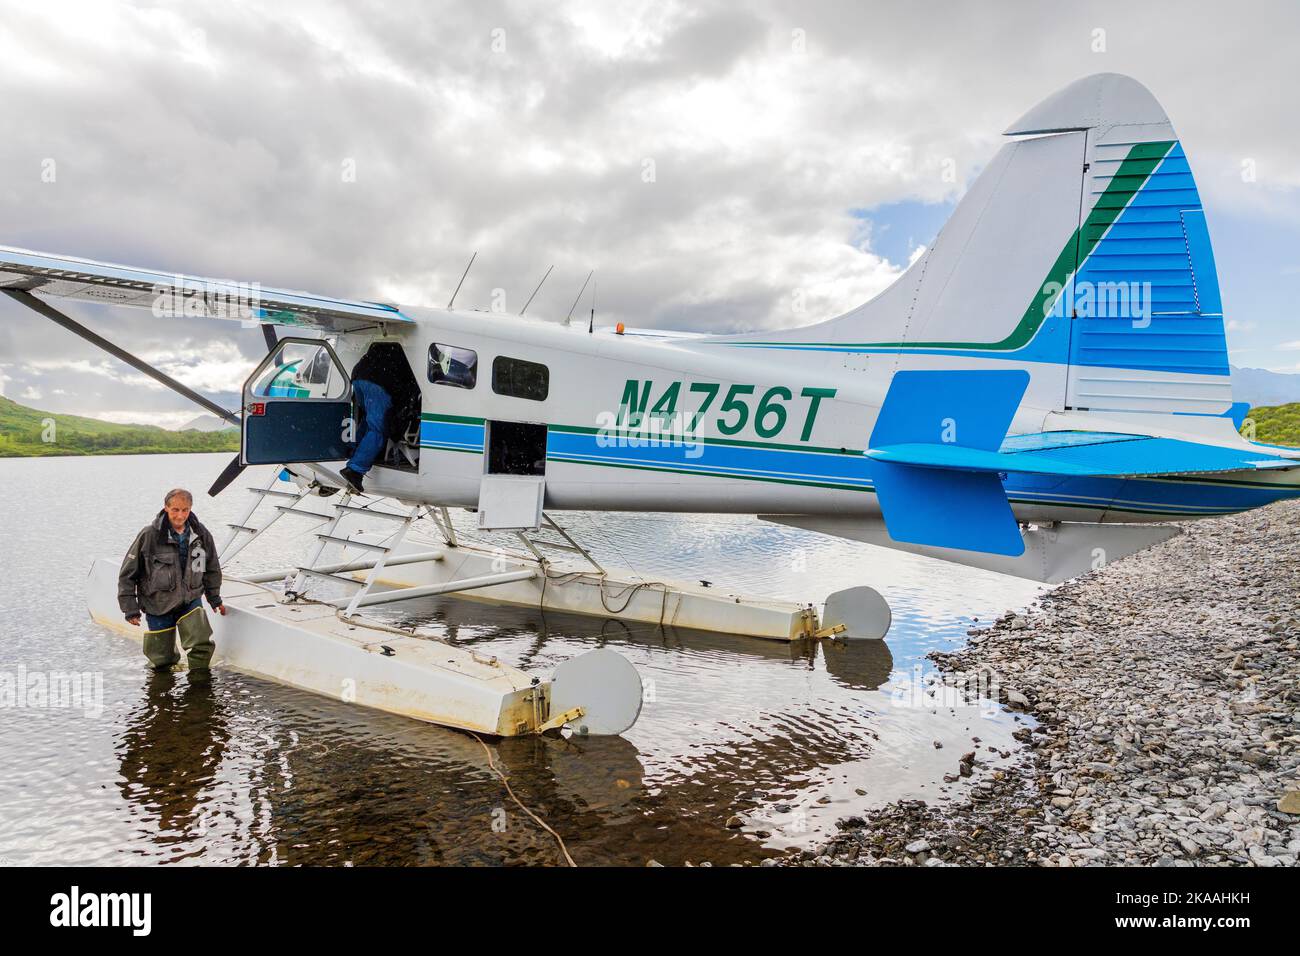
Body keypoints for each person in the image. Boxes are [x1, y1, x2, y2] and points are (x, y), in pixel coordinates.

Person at [118, 488, 227, 674]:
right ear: (166, 508)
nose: (180, 515)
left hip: (190, 599)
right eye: (175, 509)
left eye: (185, 510)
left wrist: (215, 599)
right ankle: (162, 691)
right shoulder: (149, 535)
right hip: (157, 603)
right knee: (161, 659)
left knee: (201, 646)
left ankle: (199, 690)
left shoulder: (201, 534)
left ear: (190, 509)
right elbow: (127, 574)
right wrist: (130, 609)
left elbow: (211, 568)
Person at [339, 344, 418, 493]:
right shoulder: (411, 360)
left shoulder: (395, 349)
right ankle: (355, 470)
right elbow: (408, 393)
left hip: (359, 376)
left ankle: (354, 452)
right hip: (379, 381)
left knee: (369, 421)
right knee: (379, 429)